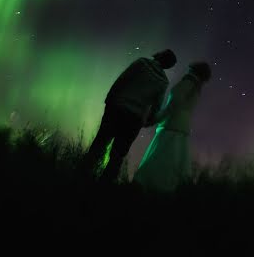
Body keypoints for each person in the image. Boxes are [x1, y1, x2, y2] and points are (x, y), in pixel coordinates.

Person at [83, 49, 177, 182]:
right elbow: (156, 106)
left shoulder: (142, 63)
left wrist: (109, 99)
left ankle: (81, 176)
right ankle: (104, 188)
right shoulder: (163, 82)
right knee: (117, 156)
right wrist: (148, 122)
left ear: (160, 55)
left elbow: (122, 79)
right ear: (168, 66)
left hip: (117, 109)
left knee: (99, 144)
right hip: (134, 120)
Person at [133, 61, 212, 192]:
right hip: (181, 128)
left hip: (171, 127)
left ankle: (150, 190)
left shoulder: (187, 83)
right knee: (174, 165)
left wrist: (156, 118)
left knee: (159, 161)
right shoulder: (196, 88)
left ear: (192, 70)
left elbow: (173, 105)